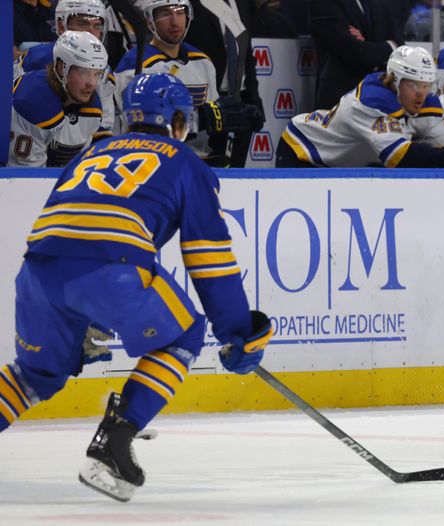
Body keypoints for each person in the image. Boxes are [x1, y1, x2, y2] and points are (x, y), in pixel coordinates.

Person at [1, 73, 274, 503]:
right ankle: (115, 442)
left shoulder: (91, 153)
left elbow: (71, 229)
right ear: (179, 121)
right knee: (184, 333)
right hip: (112, 267)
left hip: (37, 271)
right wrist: (238, 331)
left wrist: (81, 312)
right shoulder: (186, 163)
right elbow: (209, 260)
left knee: (35, 375)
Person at [277, 46, 444, 189]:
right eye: (413, 85)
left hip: (344, 162)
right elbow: (399, 157)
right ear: (394, 80)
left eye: (426, 85)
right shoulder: (370, 101)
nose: (421, 93)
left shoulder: (426, 102)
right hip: (303, 152)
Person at [115, 0, 263, 164]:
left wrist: (229, 125)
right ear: (150, 20)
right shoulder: (134, 65)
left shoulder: (203, 61)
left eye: (180, 13)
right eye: (165, 14)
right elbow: (138, 126)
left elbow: (214, 118)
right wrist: (203, 119)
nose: (175, 21)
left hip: (203, 160)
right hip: (156, 162)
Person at [14, 0, 117, 143]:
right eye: (82, 24)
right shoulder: (33, 60)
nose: (91, 32)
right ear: (61, 26)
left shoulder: (104, 71)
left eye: (97, 26)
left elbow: (102, 130)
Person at [9, 31, 108, 167]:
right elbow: (24, 176)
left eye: (97, 74)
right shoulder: (32, 100)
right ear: (62, 68)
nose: (91, 83)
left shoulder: (92, 107)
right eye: (83, 72)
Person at [309, 0, 404, 110]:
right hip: (341, 101)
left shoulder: (383, 3)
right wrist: (389, 46)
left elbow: (400, 47)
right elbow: (354, 52)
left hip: (382, 99)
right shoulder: (325, 3)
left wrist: (366, 45)